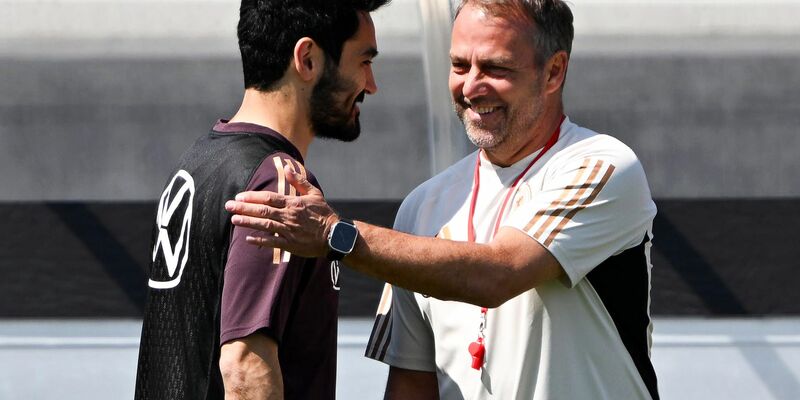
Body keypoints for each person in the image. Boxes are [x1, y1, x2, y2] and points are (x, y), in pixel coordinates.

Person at [225, 0, 659, 398]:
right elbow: (412, 383)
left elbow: (500, 274)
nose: (471, 87)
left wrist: (336, 235)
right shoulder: (421, 206)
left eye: (495, 67)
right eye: (458, 65)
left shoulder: (602, 166)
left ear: (553, 72)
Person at [134, 0, 389, 399]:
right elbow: (244, 367)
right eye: (364, 61)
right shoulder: (279, 181)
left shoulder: (198, 162)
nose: (371, 84)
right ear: (307, 59)